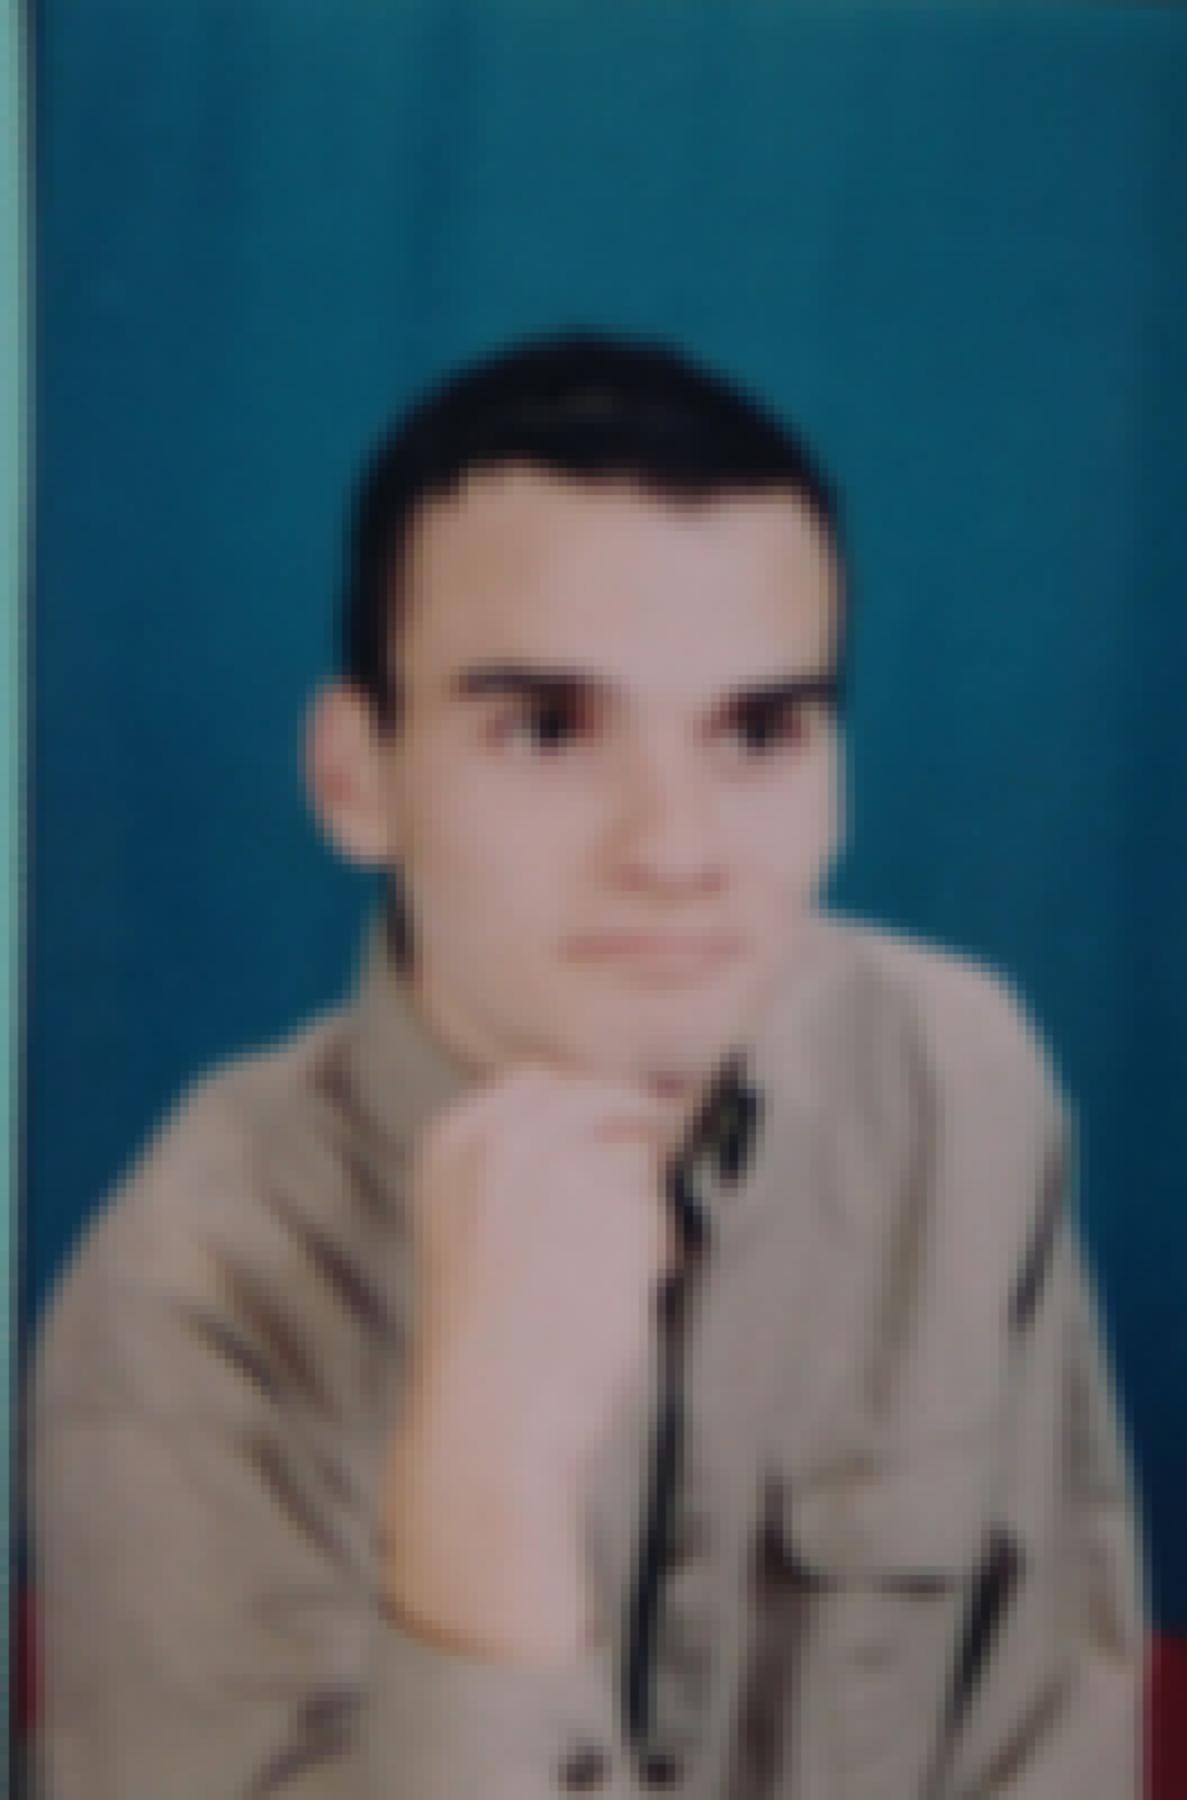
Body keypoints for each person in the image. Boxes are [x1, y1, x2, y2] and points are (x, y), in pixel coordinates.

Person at [30, 333, 1144, 1797]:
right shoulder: (190, 1294)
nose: (676, 852)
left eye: (759, 732)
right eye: (549, 731)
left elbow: (1054, 1743)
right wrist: (483, 1500)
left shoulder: (960, 1082)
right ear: (358, 779)